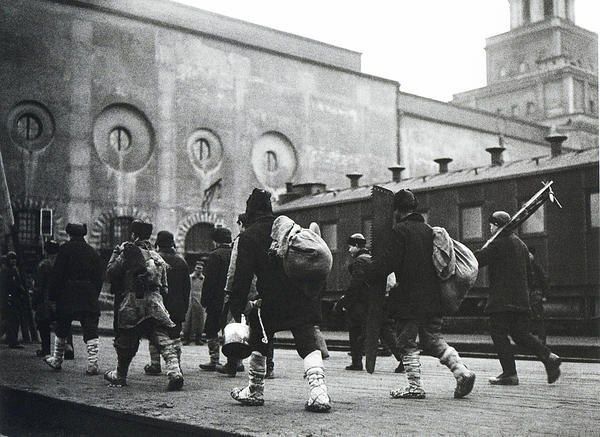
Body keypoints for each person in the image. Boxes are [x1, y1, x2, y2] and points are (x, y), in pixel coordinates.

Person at [229, 188, 332, 412]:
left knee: (259, 339)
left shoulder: (249, 235)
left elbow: (242, 276)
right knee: (307, 341)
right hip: (301, 294)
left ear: (250, 210)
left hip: (272, 300)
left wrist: (238, 306)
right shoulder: (287, 226)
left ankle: (255, 390)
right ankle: (319, 393)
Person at [367, 189, 476, 399]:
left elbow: (388, 263)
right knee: (432, 339)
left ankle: (415, 387)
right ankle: (462, 372)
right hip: (434, 297)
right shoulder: (428, 230)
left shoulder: (400, 231)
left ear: (397, 210)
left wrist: (370, 269)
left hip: (409, 300)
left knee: (406, 342)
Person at [476, 211, 561, 386]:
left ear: (498, 225)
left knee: (498, 333)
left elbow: (478, 260)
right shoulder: (521, 245)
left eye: (491, 224)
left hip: (502, 300)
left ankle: (510, 373)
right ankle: (548, 357)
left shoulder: (497, 244)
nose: (489, 227)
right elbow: (530, 274)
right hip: (521, 299)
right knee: (521, 334)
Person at [104, 220, 184, 391]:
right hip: (155, 302)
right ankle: (175, 371)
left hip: (133, 301)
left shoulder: (128, 252)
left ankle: (120, 375)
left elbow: (111, 273)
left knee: (126, 340)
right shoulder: (158, 257)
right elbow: (165, 287)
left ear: (134, 235)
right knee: (161, 337)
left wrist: (114, 254)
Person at [44, 224, 103, 375]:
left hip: (67, 294)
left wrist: (53, 297)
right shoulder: (92, 252)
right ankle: (93, 364)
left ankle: (57, 360)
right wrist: (93, 294)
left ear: (69, 234)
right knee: (90, 329)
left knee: (62, 327)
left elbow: (57, 275)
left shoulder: (64, 250)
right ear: (83, 235)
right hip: (88, 293)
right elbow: (99, 277)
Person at [144, 230, 190, 376]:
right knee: (175, 335)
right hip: (177, 305)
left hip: (158, 304)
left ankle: (155, 364)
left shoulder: (154, 259)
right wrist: (184, 307)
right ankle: (177, 364)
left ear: (158, 243)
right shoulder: (181, 261)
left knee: (154, 332)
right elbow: (186, 288)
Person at [199, 227, 233, 372]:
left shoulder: (214, 255)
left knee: (211, 329)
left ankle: (214, 360)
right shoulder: (235, 254)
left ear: (216, 241)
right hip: (233, 299)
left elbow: (210, 281)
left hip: (216, 300)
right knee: (232, 330)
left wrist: (205, 299)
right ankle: (235, 360)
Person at [338, 233, 371, 371]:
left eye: (351, 246)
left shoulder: (359, 262)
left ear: (357, 246)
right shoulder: (370, 258)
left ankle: (357, 362)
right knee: (378, 331)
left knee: (355, 332)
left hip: (359, 303)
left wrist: (345, 302)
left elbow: (355, 284)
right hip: (369, 302)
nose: (349, 250)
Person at [33, 240, 60, 357]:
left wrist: (34, 300)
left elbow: (39, 286)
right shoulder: (61, 264)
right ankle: (65, 349)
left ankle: (46, 349)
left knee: (43, 325)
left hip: (45, 300)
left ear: (46, 250)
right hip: (60, 300)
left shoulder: (43, 264)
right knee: (63, 324)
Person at [0, 252, 27, 348]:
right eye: (11, 259)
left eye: (14, 259)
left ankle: (11, 339)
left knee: (10, 320)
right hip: (10, 298)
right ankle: (12, 341)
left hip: (13, 298)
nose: (13, 261)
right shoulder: (8, 271)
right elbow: (9, 285)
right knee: (12, 320)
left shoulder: (12, 270)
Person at [181, 261, 206, 346]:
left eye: (200, 268)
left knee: (200, 320)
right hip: (190, 300)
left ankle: (198, 338)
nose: (198, 270)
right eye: (197, 268)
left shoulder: (204, 279)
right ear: (195, 268)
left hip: (200, 300)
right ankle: (186, 338)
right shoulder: (189, 278)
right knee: (188, 320)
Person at [527, 246, 548, 345]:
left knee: (538, 317)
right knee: (530, 317)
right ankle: (533, 339)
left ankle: (541, 339)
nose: (528, 256)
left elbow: (544, 280)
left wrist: (544, 294)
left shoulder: (536, 267)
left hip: (535, 293)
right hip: (530, 293)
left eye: (530, 254)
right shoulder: (530, 266)